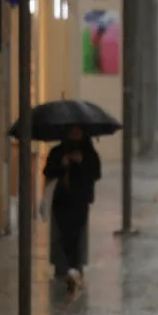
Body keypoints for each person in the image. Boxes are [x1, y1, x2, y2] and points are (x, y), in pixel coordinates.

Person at [43, 126, 101, 294]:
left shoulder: (89, 153)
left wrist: (81, 161)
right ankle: (62, 266)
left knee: (77, 233)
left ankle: (76, 266)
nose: (75, 135)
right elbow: (48, 171)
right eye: (72, 132)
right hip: (61, 200)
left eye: (78, 132)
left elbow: (96, 173)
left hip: (80, 201)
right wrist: (61, 165)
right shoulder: (57, 152)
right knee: (60, 234)